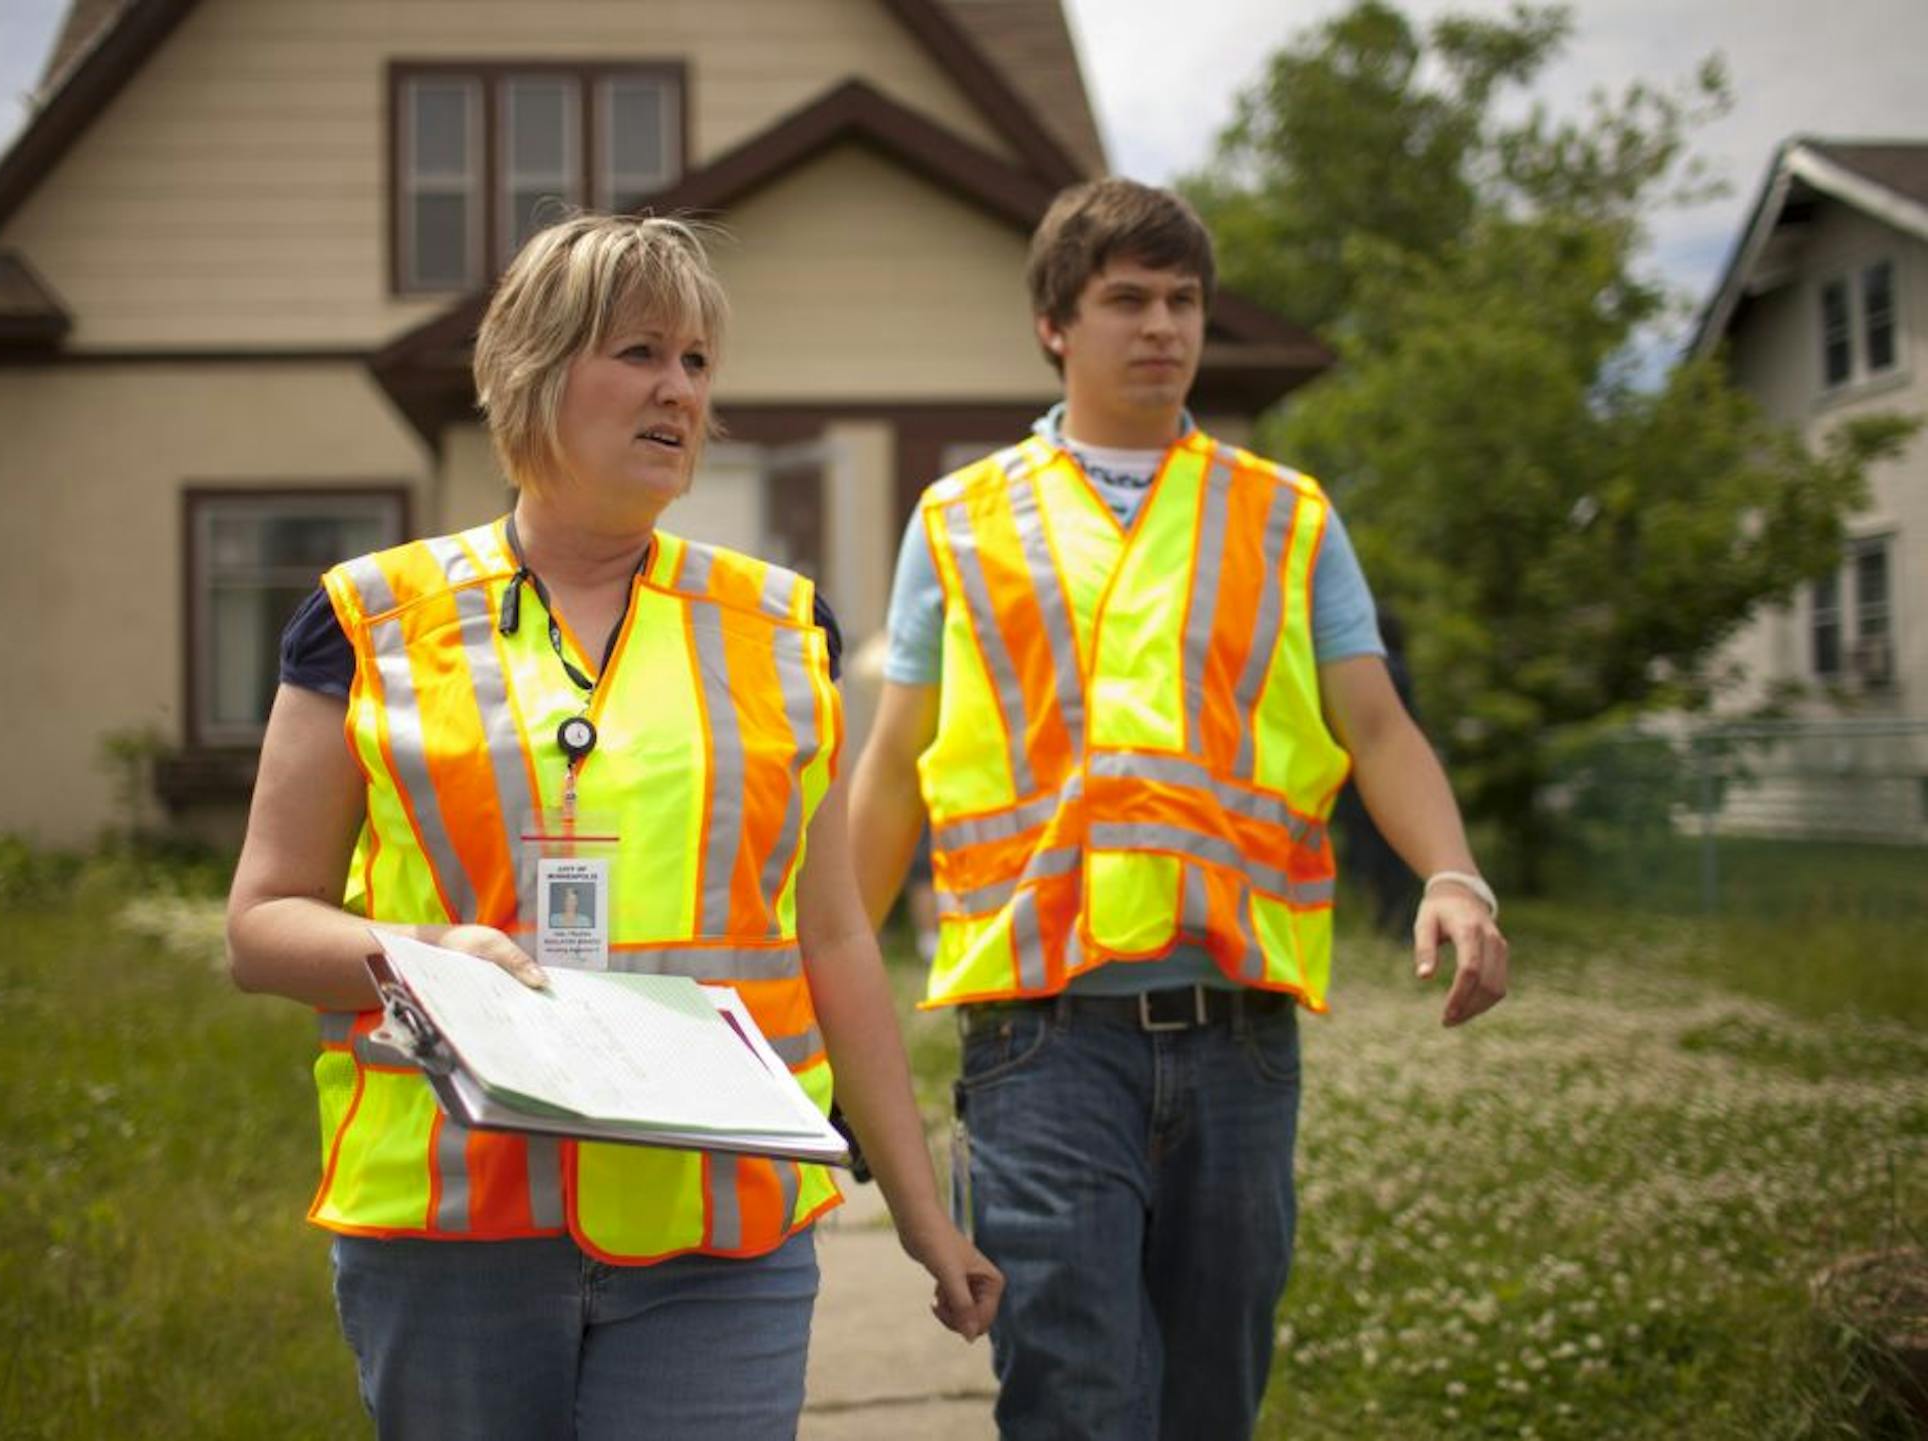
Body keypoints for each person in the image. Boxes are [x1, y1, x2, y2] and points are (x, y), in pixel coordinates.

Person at [227, 213, 999, 1441]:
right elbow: (260, 926)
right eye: (639, 351)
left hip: (723, 1229)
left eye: (698, 363)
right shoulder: (369, 620)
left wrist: (916, 1206)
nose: (678, 390)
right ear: (533, 371)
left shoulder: (785, 632)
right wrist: (423, 955)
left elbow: (836, 939)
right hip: (452, 1227)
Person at [847, 178, 1510, 1441]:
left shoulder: (1286, 514)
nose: (1162, 326)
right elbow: (893, 769)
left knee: (1213, 1402)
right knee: (1075, 1397)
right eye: (1126, 299)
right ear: (1056, 322)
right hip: (1041, 1037)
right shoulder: (963, 518)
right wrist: (818, 990)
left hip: (1242, 1036)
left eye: (1184, 300)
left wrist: (1453, 874)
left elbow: (1376, 726)